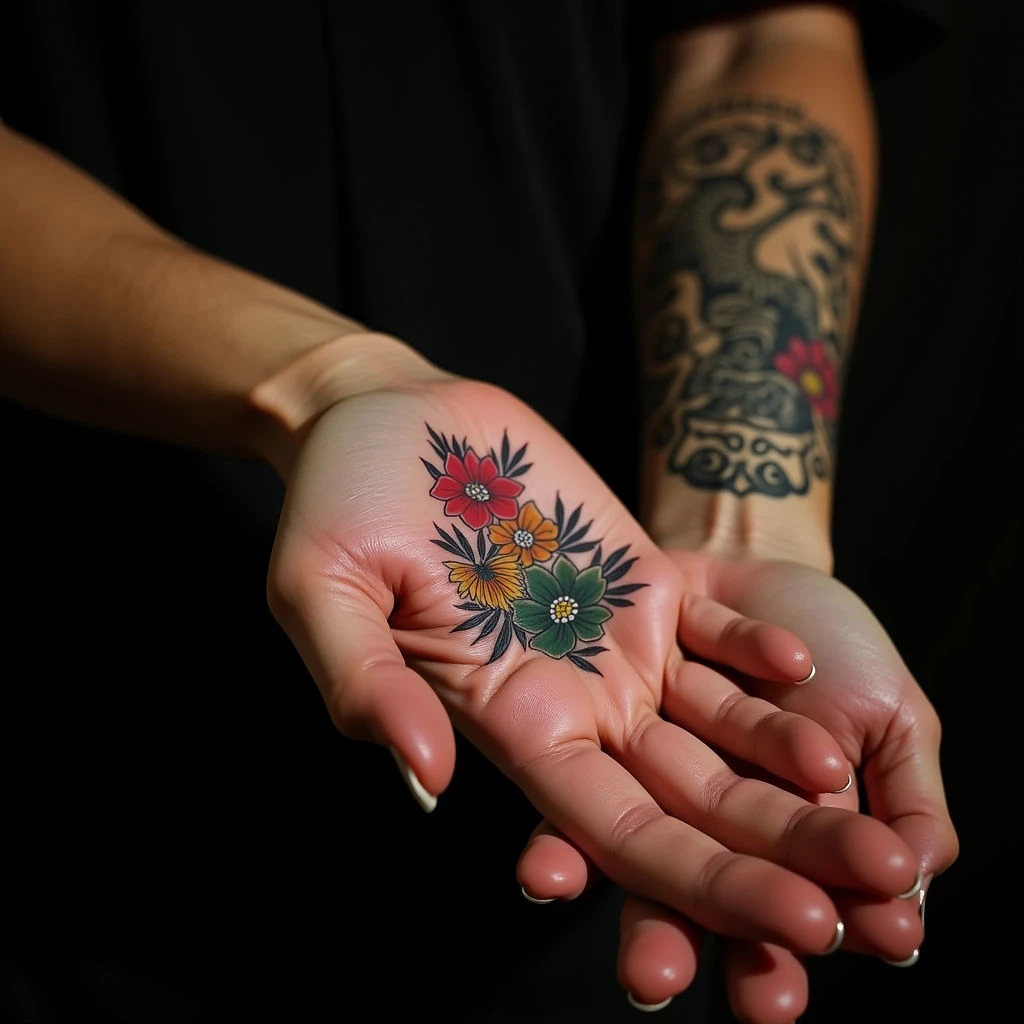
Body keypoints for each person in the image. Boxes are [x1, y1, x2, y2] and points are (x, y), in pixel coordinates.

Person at [0, 2, 958, 1022]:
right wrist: (330, 379)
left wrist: (744, 526)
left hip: (597, 757)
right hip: (83, 763)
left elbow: (754, 32)